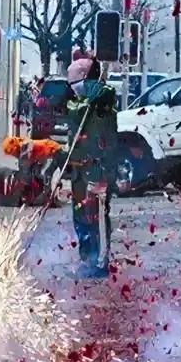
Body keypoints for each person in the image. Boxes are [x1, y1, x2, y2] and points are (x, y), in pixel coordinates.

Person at [65, 56, 118, 279]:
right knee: (80, 217)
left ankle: (100, 261)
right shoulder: (77, 104)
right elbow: (75, 112)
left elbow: (108, 95)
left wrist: (99, 94)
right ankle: (86, 257)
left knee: (97, 215)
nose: (73, 89)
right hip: (79, 171)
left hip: (99, 170)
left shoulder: (104, 106)